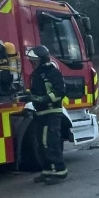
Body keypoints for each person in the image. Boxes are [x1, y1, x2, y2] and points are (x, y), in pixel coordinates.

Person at [27, 45, 68, 185]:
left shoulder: (53, 73)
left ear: (42, 59)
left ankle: (60, 171)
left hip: (52, 113)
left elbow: (59, 92)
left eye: (35, 60)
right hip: (40, 113)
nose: (33, 63)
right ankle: (47, 171)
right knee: (41, 144)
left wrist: (44, 99)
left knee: (51, 142)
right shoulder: (36, 74)